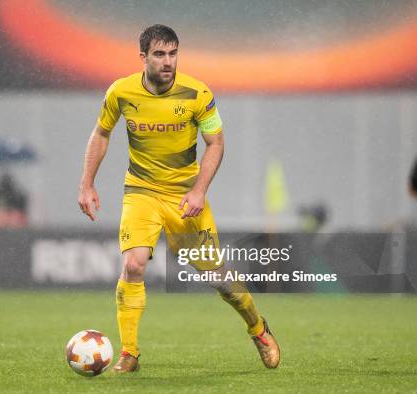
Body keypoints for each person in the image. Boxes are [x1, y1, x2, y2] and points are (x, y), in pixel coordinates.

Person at [78, 25, 280, 373]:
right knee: (134, 264)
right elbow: (101, 132)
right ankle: (129, 352)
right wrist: (87, 183)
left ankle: (259, 329)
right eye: (159, 54)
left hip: (185, 198)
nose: (168, 61)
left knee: (220, 279)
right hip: (141, 191)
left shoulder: (198, 93)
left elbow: (216, 143)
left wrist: (199, 190)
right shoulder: (121, 92)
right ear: (143, 57)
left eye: (173, 53)